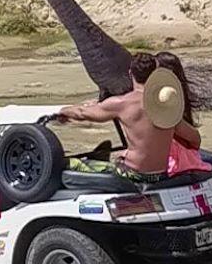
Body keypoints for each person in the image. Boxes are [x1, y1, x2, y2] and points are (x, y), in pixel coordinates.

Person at [55, 52, 174, 184]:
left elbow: (83, 113)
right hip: (161, 174)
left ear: (130, 73)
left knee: (70, 163)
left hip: (133, 174)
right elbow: (193, 139)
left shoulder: (122, 103)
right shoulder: (167, 106)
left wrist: (63, 110)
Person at [156, 50, 212, 177]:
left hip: (174, 156)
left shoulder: (167, 99)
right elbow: (195, 139)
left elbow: (192, 137)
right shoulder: (179, 94)